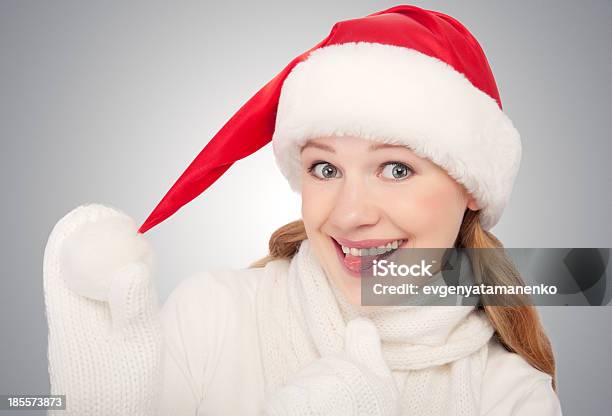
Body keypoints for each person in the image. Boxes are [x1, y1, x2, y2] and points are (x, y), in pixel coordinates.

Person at [43, 4, 563, 415]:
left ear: (471, 187)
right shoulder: (214, 314)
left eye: (396, 169)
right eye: (326, 169)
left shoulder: (511, 395)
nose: (350, 214)